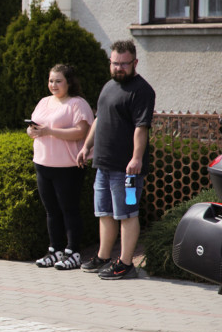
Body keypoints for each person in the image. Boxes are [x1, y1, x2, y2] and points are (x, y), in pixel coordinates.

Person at [76, 40, 156, 280]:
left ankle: (125, 263)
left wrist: (136, 158)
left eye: (124, 64)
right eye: (115, 63)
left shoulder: (142, 91)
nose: (119, 68)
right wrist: (86, 146)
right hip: (103, 166)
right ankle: (103, 257)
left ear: (135, 63)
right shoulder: (109, 86)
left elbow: (142, 128)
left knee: (127, 213)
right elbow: (99, 120)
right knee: (105, 213)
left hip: (127, 170)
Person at [28, 64, 95, 270]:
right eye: (51, 80)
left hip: (68, 166)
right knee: (51, 211)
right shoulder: (44, 102)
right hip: (43, 163)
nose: (53, 85)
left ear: (69, 82)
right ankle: (55, 249)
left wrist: (49, 131)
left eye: (58, 81)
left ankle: (73, 251)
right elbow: (35, 125)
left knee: (69, 210)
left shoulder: (77, 104)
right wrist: (33, 131)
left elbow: (81, 132)